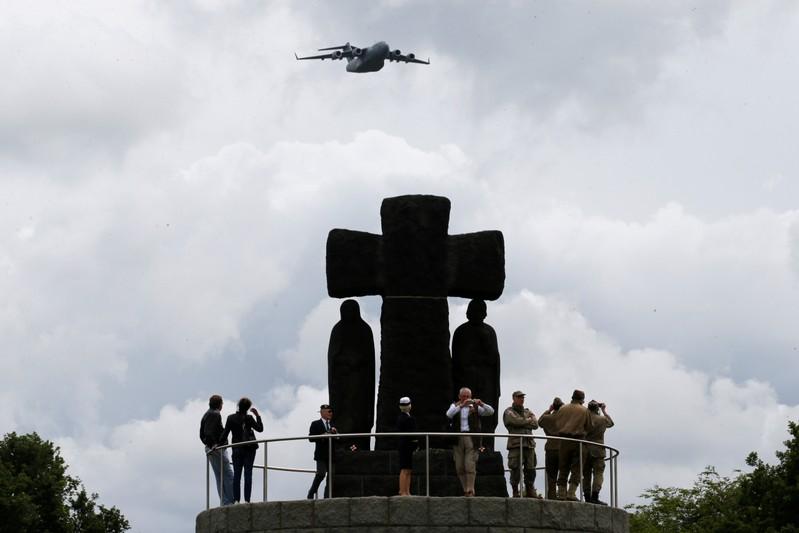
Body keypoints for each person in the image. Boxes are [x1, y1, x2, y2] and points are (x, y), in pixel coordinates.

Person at [451, 299, 501, 450]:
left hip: (486, 382)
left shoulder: (489, 332)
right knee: (465, 413)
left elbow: (494, 359)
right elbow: (457, 361)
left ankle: (485, 447)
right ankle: (462, 445)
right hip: (465, 380)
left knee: (485, 415)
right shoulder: (461, 332)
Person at [328, 299, 375, 451]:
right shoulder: (338, 330)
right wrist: (346, 361)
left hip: (360, 381)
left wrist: (357, 361)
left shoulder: (364, 330)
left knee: (359, 412)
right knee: (344, 411)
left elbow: (369, 358)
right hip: (342, 381)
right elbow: (333, 357)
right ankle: (343, 442)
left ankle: (359, 443)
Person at [446, 387, 495, 496]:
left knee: (470, 464)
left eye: (468, 396)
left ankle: (470, 489)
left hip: (472, 438)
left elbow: (491, 411)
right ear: (459, 396)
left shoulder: (475, 406)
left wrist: (481, 404)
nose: (466, 398)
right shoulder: (455, 405)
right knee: (459, 466)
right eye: (463, 396)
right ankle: (465, 489)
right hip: (457, 438)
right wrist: (461, 405)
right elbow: (449, 414)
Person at [220, 397, 264, 503]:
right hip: (249, 449)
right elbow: (260, 429)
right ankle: (247, 500)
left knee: (237, 475)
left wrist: (218, 444)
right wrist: (257, 416)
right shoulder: (249, 418)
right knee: (248, 474)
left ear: (238, 406)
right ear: (248, 408)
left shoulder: (230, 418)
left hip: (237, 449)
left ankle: (236, 500)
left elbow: (224, 435)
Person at [554, 389, 593, 501]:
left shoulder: (562, 408)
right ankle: (571, 493)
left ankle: (561, 493)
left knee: (563, 467)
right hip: (578, 441)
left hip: (563, 441)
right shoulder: (584, 410)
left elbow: (557, 423)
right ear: (581, 400)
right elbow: (590, 427)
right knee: (577, 468)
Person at [503, 390, 540, 498]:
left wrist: (523, 421)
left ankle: (530, 490)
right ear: (513, 398)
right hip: (516, 444)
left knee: (531, 469)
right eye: (519, 397)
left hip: (529, 444)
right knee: (515, 470)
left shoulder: (528, 411)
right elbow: (514, 421)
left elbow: (536, 424)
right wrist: (527, 421)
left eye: (523, 397)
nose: (521, 399)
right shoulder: (508, 411)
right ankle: (515, 491)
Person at [199, 394, 234, 506]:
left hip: (210, 448)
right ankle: (230, 501)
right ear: (220, 405)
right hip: (216, 448)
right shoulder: (215, 414)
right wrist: (214, 444)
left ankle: (225, 502)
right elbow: (208, 432)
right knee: (228, 474)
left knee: (219, 476)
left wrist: (208, 444)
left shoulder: (206, 414)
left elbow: (201, 434)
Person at [583, 400, 614, 505]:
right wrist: (604, 410)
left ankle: (587, 496)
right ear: (597, 408)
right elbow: (611, 423)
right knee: (598, 473)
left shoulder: (584, 418)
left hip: (585, 449)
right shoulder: (602, 419)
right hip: (598, 449)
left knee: (586, 474)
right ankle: (595, 496)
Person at [537, 396, 564, 499]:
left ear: (553, 406)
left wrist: (548, 410)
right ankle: (562, 495)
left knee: (551, 476)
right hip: (562, 448)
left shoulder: (547, 418)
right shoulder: (564, 418)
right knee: (563, 473)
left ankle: (551, 496)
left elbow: (539, 421)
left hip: (550, 448)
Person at [307, 404, 337, 499]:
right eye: (329, 411)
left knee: (331, 475)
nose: (331, 413)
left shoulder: (333, 424)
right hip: (321, 454)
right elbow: (311, 438)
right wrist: (325, 434)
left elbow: (339, 439)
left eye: (331, 411)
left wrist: (336, 434)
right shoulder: (315, 424)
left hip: (331, 454)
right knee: (321, 473)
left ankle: (327, 496)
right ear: (322, 412)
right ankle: (312, 492)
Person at [396, 396, 418, 496]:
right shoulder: (408, 419)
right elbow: (412, 434)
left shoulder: (401, 417)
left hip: (403, 445)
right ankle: (403, 491)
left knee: (408, 469)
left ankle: (407, 491)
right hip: (407, 446)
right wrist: (416, 444)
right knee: (405, 469)